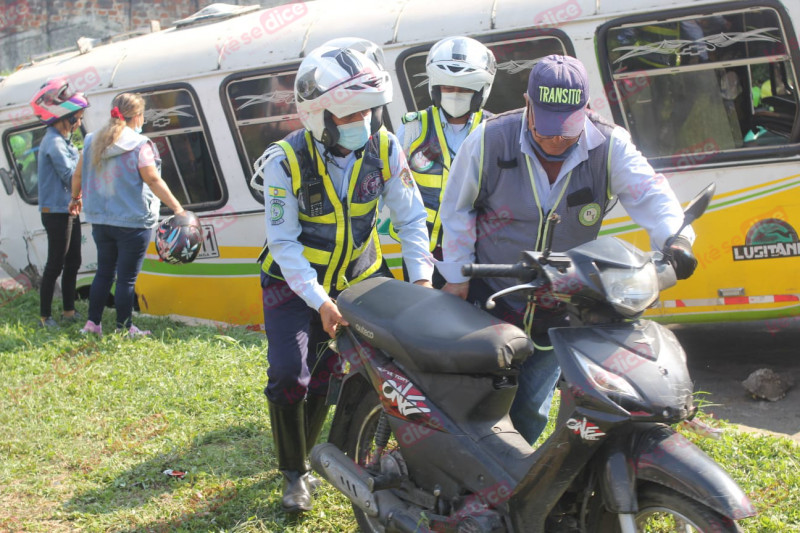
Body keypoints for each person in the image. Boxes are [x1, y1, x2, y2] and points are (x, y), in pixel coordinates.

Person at [439, 55, 698, 445]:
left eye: (567, 129)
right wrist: (457, 277)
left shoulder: (610, 146)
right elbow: (457, 209)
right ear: (528, 104)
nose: (556, 139)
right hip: (491, 294)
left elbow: (653, 196)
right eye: (546, 128)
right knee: (481, 400)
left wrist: (677, 240)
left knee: (530, 407)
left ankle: (514, 486)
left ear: (585, 110)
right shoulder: (490, 138)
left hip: (558, 302)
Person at [252, 39, 433, 513]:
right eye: (351, 116)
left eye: (369, 113)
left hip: (359, 277)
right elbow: (284, 243)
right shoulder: (284, 161)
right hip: (292, 286)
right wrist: (319, 301)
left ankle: (317, 453)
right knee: (290, 373)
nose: (364, 124)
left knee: (332, 376)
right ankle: (295, 474)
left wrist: (421, 284)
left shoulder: (388, 148)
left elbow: (412, 220)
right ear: (319, 115)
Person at [69, 93, 185, 337]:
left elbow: (78, 175)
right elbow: (152, 179)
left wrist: (75, 198)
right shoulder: (139, 144)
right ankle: (124, 328)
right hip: (133, 222)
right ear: (139, 116)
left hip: (101, 220)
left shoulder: (91, 141)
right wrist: (177, 208)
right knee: (126, 279)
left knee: (103, 272)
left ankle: (93, 325)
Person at [393, 36, 496, 288]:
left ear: (481, 91)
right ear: (435, 88)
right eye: (448, 88)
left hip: (477, 254)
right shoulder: (412, 130)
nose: (454, 95)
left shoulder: (495, 131)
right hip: (423, 255)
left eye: (464, 90)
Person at [29, 78, 90, 328]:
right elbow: (69, 175)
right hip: (56, 211)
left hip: (67, 208)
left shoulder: (62, 140)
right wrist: (88, 157)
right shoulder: (53, 142)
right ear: (65, 117)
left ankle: (68, 310)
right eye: (78, 117)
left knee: (73, 260)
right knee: (56, 262)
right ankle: (45, 316)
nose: (80, 122)